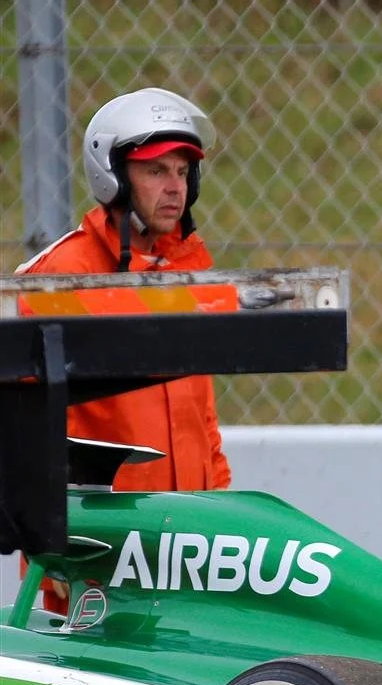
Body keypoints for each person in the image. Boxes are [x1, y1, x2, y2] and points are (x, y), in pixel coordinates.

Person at [17, 87, 231, 493]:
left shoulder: (187, 272)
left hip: (182, 535)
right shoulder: (62, 277)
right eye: (156, 171)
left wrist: (218, 509)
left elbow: (205, 425)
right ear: (113, 177)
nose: (175, 187)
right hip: (99, 539)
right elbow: (23, 431)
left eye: (183, 172)